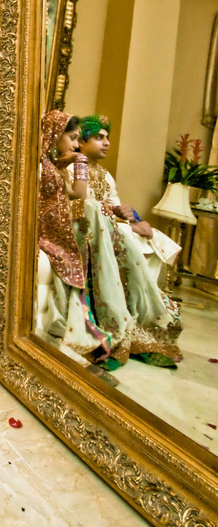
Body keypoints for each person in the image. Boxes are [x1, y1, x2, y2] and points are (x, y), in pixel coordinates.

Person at [67, 115, 182, 368]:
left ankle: (144, 313)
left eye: (107, 137)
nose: (107, 143)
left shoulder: (106, 176)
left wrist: (130, 215)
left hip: (107, 225)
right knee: (130, 236)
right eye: (99, 137)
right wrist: (122, 220)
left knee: (149, 235)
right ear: (81, 142)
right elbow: (78, 206)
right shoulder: (71, 167)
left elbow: (114, 205)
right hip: (84, 229)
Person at [38, 111, 110, 359]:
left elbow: (75, 194)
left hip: (57, 228)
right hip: (47, 231)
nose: (76, 144)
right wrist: (75, 161)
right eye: (72, 137)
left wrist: (76, 161)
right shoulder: (42, 166)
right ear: (55, 135)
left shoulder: (50, 166)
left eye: (78, 138)